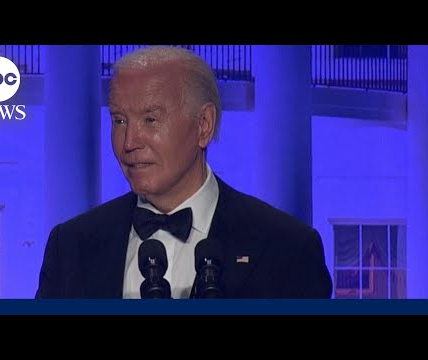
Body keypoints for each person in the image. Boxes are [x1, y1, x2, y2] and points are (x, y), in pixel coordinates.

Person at [35, 45, 332, 299]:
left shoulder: (288, 248)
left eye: (150, 119)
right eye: (120, 120)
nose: (129, 142)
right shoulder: (70, 246)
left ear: (203, 125)